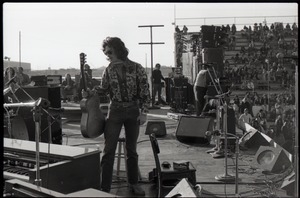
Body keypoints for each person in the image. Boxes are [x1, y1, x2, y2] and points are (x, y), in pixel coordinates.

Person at [83, 37, 150, 195]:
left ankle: (133, 183)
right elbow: (103, 89)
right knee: (108, 150)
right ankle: (104, 188)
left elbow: (145, 92)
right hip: (115, 111)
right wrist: (90, 92)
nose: (108, 55)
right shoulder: (108, 69)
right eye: (106, 52)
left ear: (119, 49)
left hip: (133, 110)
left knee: (131, 150)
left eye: (110, 51)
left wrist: (144, 113)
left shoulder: (137, 68)